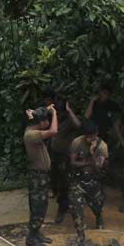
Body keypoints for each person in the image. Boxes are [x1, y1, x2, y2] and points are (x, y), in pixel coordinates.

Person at [22, 104, 58, 246]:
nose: (48, 122)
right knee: (38, 207)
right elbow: (54, 130)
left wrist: (42, 110)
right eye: (46, 120)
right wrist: (54, 113)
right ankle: (31, 238)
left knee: (42, 205)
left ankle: (36, 233)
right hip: (37, 177)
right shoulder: (32, 135)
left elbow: (31, 115)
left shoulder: (32, 127)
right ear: (41, 122)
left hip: (41, 175)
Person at [68, 120, 109, 245]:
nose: (89, 139)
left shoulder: (102, 147)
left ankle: (99, 217)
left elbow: (98, 168)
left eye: (91, 136)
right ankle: (80, 235)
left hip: (94, 181)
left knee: (96, 206)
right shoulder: (77, 142)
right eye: (87, 136)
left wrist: (92, 153)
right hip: (79, 180)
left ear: (96, 134)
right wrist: (87, 163)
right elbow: (72, 162)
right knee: (75, 206)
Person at [48, 93, 82, 224]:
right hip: (53, 152)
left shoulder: (68, 119)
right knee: (54, 177)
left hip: (64, 155)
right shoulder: (54, 116)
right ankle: (60, 199)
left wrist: (69, 110)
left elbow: (78, 125)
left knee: (64, 182)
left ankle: (62, 207)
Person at [84, 81, 121, 147]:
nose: (104, 95)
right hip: (93, 131)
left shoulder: (113, 105)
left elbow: (117, 119)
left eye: (107, 94)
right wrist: (92, 101)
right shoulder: (95, 103)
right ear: (100, 92)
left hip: (105, 132)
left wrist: (113, 130)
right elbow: (86, 116)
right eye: (103, 93)